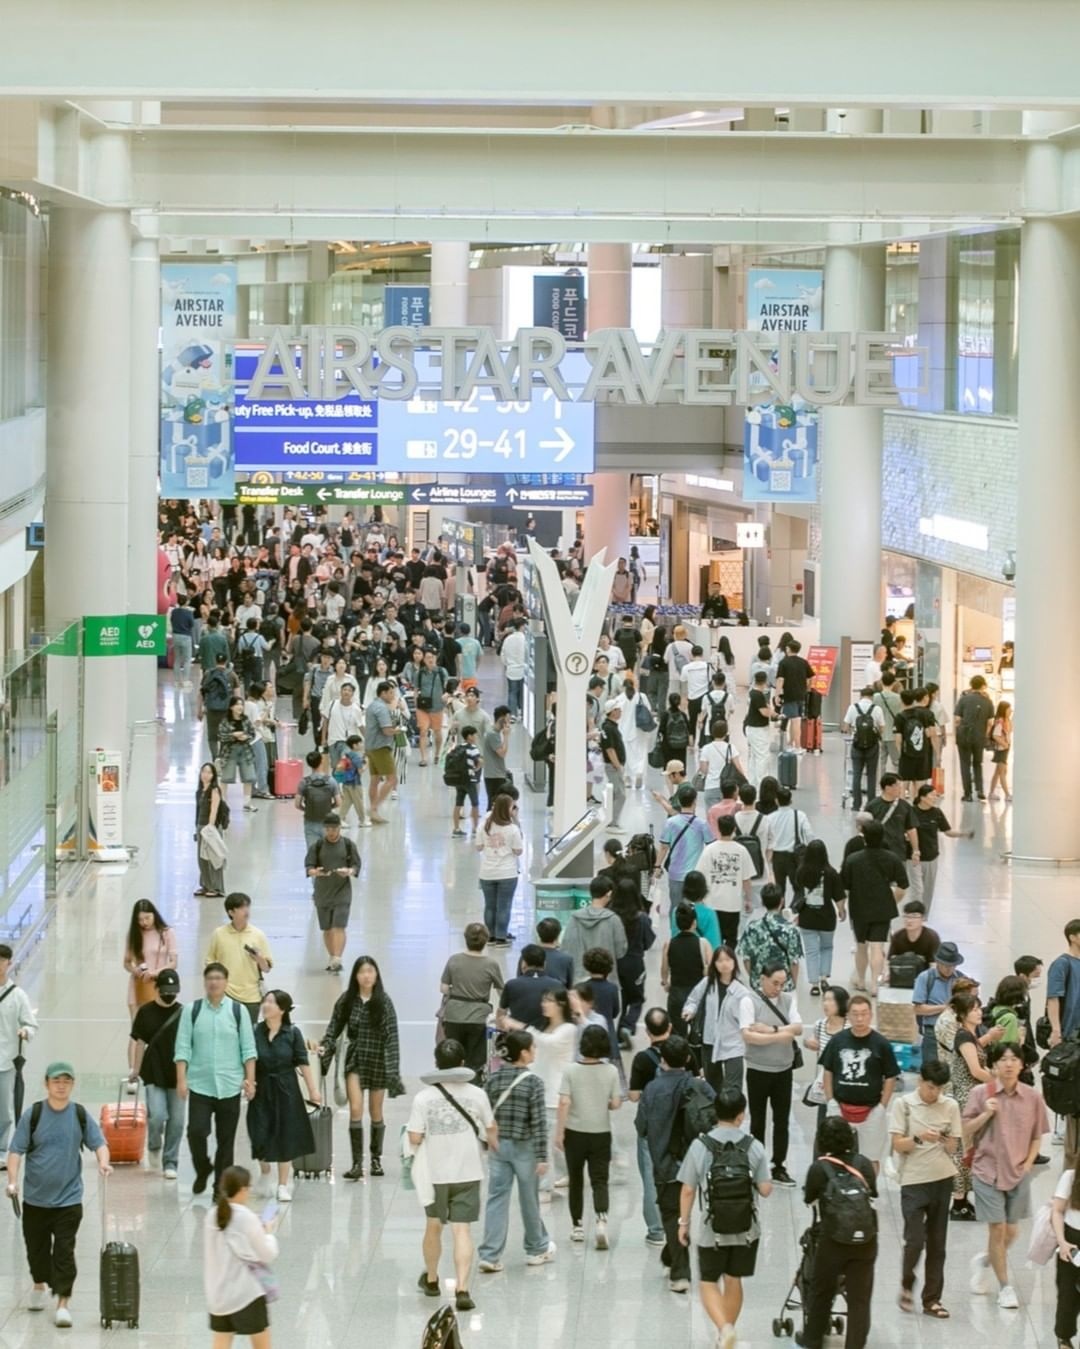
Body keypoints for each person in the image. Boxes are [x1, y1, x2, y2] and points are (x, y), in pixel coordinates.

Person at [5, 1062, 111, 1328]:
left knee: (64, 1251)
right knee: (37, 1250)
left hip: (69, 1199)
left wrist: (103, 1162)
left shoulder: (79, 1114)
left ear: (72, 1084)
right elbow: (16, 1151)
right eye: (56, 1081)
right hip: (36, 1200)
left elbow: (99, 1143)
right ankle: (39, 1284)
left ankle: (63, 1302)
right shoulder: (34, 1114)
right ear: (46, 1083)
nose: (61, 1085)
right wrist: (12, 1181)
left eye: (66, 1081)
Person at [677, 1086, 772, 1348]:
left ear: (715, 1112)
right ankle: (725, 1333)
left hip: (711, 1228)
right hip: (746, 1229)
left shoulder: (700, 1145)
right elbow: (765, 1190)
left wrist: (683, 1223)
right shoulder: (753, 1146)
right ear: (741, 1115)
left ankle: (724, 1328)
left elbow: (687, 1189)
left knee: (708, 1281)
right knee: (734, 1279)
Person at [408, 1038, 498, 1313]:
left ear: (436, 1063)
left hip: (435, 1173)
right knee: (462, 1230)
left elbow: (414, 1136)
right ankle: (462, 1289)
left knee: (434, 1225)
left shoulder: (423, 1097)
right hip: (468, 1170)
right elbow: (491, 1127)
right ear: (462, 1062)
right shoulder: (477, 1094)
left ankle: (432, 1280)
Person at [964, 1041, 1050, 1310]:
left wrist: (1028, 1163)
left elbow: (1037, 1136)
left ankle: (986, 1261)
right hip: (986, 1171)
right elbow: (966, 1128)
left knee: (1012, 1232)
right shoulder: (980, 1093)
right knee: (997, 1229)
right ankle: (1005, 1287)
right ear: (994, 1065)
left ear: (1022, 1064)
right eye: (1003, 1059)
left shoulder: (1032, 1097)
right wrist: (987, 1113)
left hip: (1017, 1172)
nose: (1009, 1064)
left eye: (1014, 1059)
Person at [636, 1034, 716, 1293]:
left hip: (664, 1162)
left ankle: (680, 1272)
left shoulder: (651, 1089)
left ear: (662, 1061)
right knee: (679, 1214)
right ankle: (671, 1256)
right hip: (695, 1160)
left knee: (673, 1214)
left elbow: (642, 1127)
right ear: (687, 1059)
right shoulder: (699, 1087)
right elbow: (716, 1114)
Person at [174, 962, 258, 1196]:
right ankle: (203, 1168)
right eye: (210, 977)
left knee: (226, 1140)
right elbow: (182, 1048)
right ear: (205, 982)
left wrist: (250, 1080)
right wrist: (182, 1079)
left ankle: (220, 1187)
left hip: (230, 1085)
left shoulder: (237, 1011)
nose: (214, 982)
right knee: (196, 1132)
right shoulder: (192, 1010)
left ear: (226, 982)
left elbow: (248, 1049)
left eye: (219, 978)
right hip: (200, 1084)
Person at [796, 1116, 879, 1349]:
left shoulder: (819, 1167)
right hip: (866, 1240)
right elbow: (872, 1193)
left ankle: (812, 1339)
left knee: (821, 1291)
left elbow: (809, 1198)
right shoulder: (862, 1164)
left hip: (832, 1240)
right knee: (859, 1299)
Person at [889, 1058, 962, 1318]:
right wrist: (920, 1138)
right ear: (920, 1081)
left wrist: (943, 1138)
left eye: (939, 1089)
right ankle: (906, 1283)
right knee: (915, 1240)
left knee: (937, 1243)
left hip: (942, 1179)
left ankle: (932, 1299)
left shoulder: (950, 1105)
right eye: (930, 1087)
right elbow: (898, 1144)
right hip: (913, 1180)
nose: (934, 1093)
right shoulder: (904, 1105)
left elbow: (954, 1147)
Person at [477, 1029, 555, 1272]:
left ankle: (490, 1255)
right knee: (529, 1199)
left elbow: (484, 1116)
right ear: (523, 1053)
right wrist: (542, 1156)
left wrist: (485, 1143)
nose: (535, 1052)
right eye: (533, 1048)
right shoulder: (533, 1083)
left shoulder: (493, 1079)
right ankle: (536, 1248)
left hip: (498, 1146)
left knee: (496, 1198)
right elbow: (539, 1123)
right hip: (525, 1147)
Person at [320, 955, 403, 1182]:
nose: (366, 975)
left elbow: (392, 1037)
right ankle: (357, 1163)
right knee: (356, 1109)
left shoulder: (384, 1002)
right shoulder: (346, 1001)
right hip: (354, 1060)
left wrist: (393, 1070)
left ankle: (376, 1158)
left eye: (370, 971)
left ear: (376, 975)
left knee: (376, 1111)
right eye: (362, 971)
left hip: (377, 1061)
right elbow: (333, 1030)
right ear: (355, 976)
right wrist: (324, 1050)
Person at [247, 990, 320, 1202]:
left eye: (271, 1002)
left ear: (282, 1009)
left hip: (286, 1089)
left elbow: (302, 1062)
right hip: (261, 1089)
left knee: (285, 1136)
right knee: (258, 1132)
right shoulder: (255, 1031)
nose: (266, 1005)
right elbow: (249, 1058)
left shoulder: (292, 1033)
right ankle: (265, 1171)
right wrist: (249, 1082)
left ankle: (282, 1184)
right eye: (265, 1001)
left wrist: (313, 1089)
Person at [556, 1023, 622, 1249]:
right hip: (601, 1132)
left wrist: (559, 1132)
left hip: (574, 1132)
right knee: (600, 1179)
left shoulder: (570, 1071)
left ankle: (577, 1226)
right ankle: (601, 1219)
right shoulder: (611, 1071)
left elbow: (564, 1102)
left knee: (575, 1179)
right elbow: (615, 1104)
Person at [820, 993, 900, 1174]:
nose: (860, 1018)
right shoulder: (838, 1040)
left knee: (871, 1157)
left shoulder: (881, 1044)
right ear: (848, 1015)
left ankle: (869, 1194)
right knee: (835, 1154)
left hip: (871, 1110)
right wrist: (830, 1100)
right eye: (855, 1013)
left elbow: (890, 1076)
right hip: (840, 1108)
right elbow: (828, 1070)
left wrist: (882, 1106)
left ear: (871, 1015)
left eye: (864, 1013)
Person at [740, 960, 803, 1186]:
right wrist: (781, 1037)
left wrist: (770, 1030)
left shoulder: (787, 1000)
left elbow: (798, 1027)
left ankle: (779, 1165)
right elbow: (748, 1036)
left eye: (783, 983)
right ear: (762, 979)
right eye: (775, 983)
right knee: (758, 1120)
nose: (779, 988)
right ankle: (757, 1165)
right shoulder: (749, 1001)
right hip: (758, 1070)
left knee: (781, 1120)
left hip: (783, 1070)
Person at [204, 1165, 280, 1348]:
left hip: (217, 1295)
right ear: (243, 1189)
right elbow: (267, 1254)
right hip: (246, 1294)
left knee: (221, 1340)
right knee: (261, 1342)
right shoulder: (246, 1217)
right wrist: (268, 1233)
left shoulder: (212, 1215)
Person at [129, 968, 186, 1179]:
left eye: (174, 990)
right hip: (153, 1072)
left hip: (178, 1073)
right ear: (157, 989)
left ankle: (170, 1162)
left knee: (178, 1121)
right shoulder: (145, 1012)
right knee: (158, 1116)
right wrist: (135, 1070)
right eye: (166, 990)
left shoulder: (184, 1013)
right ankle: (154, 1144)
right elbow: (139, 1042)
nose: (170, 994)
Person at [840, 820, 909, 995]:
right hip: (882, 909)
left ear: (864, 838)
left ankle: (861, 980)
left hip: (859, 907)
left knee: (861, 945)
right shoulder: (892, 858)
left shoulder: (853, 859)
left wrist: (842, 907)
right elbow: (903, 886)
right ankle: (874, 984)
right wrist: (892, 900)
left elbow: (845, 886)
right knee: (877, 947)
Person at [682, 945, 754, 1093]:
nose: (724, 963)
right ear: (714, 963)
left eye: (728, 959)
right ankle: (716, 1113)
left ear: (734, 962)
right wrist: (689, 1011)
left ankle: (732, 1114)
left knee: (734, 1086)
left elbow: (748, 1018)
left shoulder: (742, 992)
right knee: (712, 1084)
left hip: (733, 1043)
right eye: (720, 960)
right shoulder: (707, 983)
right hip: (710, 1040)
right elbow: (693, 1000)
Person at [440, 924, 505, 1081]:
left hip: (454, 1016)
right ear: (485, 940)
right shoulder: (491, 964)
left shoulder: (454, 960)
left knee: (453, 1057)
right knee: (475, 1061)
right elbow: (502, 991)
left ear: (466, 939)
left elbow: (443, 988)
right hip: (478, 1017)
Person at [304, 812, 361, 973]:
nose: (331, 832)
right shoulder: (318, 846)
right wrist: (315, 872)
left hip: (342, 891)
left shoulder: (348, 845)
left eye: (334, 828)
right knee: (327, 928)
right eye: (328, 828)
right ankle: (332, 958)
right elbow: (309, 865)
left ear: (339, 828)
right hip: (322, 892)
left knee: (339, 925)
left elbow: (356, 865)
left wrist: (349, 871)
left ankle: (338, 957)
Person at [204, 892, 274, 1022]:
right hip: (226, 993)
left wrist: (259, 958)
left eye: (247, 906)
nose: (246, 911)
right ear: (231, 912)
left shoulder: (258, 935)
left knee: (248, 1033)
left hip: (252, 995)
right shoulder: (219, 934)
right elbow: (210, 962)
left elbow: (267, 968)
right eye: (241, 908)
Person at [794, 839, 846, 997]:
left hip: (807, 917)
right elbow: (839, 895)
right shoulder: (831, 873)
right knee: (826, 948)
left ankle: (814, 984)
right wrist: (841, 910)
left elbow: (799, 891)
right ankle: (824, 977)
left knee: (811, 951)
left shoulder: (801, 871)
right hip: (826, 918)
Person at [0, 942, 37, 1158]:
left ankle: (2, 1150)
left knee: (4, 1110)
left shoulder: (17, 995)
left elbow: (31, 1024)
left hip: (6, 1059)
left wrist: (25, 1031)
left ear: (9, 963)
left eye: (2, 961)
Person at [910, 784, 971, 911]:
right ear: (922, 797)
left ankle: (923, 917)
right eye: (932, 795)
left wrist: (963, 834)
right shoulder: (911, 812)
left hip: (931, 856)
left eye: (936, 795)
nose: (935, 798)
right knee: (917, 889)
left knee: (928, 889)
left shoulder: (936, 813)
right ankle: (914, 914)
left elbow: (947, 831)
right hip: (913, 857)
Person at [698, 816, 754, 950]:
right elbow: (746, 879)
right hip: (732, 904)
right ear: (734, 829)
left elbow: (700, 876)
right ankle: (728, 963)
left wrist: (699, 900)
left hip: (712, 903)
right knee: (731, 939)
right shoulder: (741, 850)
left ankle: (715, 964)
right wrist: (748, 900)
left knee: (713, 938)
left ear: (718, 829)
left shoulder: (709, 850)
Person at [475, 794, 524, 947]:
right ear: (507, 810)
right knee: (504, 905)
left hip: (487, 872)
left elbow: (478, 847)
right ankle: (501, 937)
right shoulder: (513, 829)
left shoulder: (484, 826)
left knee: (490, 905)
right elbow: (518, 851)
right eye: (512, 807)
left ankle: (490, 936)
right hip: (507, 873)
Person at [654, 785, 713, 908]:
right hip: (694, 875)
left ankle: (675, 927)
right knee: (695, 908)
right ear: (695, 802)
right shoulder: (702, 825)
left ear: (679, 801)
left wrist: (657, 866)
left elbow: (664, 847)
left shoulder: (671, 823)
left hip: (675, 873)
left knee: (675, 907)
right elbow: (710, 846)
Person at [736, 882, 802, 991]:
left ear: (762, 902)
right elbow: (794, 962)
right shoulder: (791, 929)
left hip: (760, 985)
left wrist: (755, 979)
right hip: (783, 985)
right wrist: (793, 984)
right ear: (782, 901)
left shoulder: (752, 928)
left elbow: (746, 959)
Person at [560, 875, 628, 979]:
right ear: (609, 893)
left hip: (579, 980)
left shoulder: (575, 918)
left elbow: (565, 948)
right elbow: (621, 951)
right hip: (606, 979)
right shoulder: (613, 920)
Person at [913, 941, 964, 1062]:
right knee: (932, 1073)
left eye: (952, 965)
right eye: (946, 965)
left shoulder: (961, 979)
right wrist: (944, 1008)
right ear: (938, 962)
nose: (949, 969)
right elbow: (918, 1009)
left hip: (956, 1031)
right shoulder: (925, 978)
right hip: (933, 1032)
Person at [662, 902, 712, 1025]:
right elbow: (711, 970)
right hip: (697, 995)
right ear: (694, 923)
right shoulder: (703, 943)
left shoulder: (669, 944)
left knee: (678, 1035)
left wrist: (666, 983)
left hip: (676, 994)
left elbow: (664, 970)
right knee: (697, 1035)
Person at [764, 786, 814, 908]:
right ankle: (794, 910)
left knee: (780, 889)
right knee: (798, 888)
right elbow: (809, 834)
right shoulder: (800, 815)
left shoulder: (769, 818)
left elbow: (766, 839)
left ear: (776, 800)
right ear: (791, 801)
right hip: (794, 857)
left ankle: (780, 913)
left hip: (777, 858)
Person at [1050, 1164, 1080, 1349]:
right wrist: (1062, 1242)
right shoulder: (1071, 1176)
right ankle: (1064, 1339)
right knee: (1068, 1294)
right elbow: (1057, 1210)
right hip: (1072, 1241)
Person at [843, 685, 885, 811]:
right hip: (872, 746)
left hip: (856, 745)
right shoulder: (877, 709)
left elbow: (845, 727)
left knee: (857, 774)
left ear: (860, 695)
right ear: (872, 697)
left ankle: (856, 804)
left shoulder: (852, 707)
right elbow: (882, 728)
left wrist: (854, 730)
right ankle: (871, 804)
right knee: (871, 775)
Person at [954, 674, 994, 802]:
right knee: (978, 763)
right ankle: (980, 790)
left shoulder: (964, 699)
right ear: (983, 685)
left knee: (965, 764)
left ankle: (967, 794)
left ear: (971, 685)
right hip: (979, 736)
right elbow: (990, 723)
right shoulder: (987, 701)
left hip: (964, 736)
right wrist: (985, 734)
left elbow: (957, 719)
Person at [364, 680, 400, 823]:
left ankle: (374, 813)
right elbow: (386, 730)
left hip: (370, 746)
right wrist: (397, 731)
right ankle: (373, 808)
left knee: (375, 779)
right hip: (381, 747)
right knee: (392, 779)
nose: (393, 695)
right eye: (391, 692)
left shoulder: (372, 706)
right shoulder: (382, 708)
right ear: (383, 693)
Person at [217, 696, 259, 813]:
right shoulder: (225, 721)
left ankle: (247, 803)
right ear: (231, 707)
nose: (240, 707)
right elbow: (221, 736)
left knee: (249, 777)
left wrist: (246, 737)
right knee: (226, 777)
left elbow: (252, 733)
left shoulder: (246, 720)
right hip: (229, 752)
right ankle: (223, 802)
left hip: (245, 750)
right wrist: (233, 735)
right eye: (237, 704)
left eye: (241, 704)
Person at [295, 748, 341, 852]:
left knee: (312, 852)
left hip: (310, 821)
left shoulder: (304, 782)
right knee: (328, 852)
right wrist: (330, 807)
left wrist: (306, 809)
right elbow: (339, 802)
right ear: (321, 761)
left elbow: (297, 804)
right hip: (327, 822)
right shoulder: (331, 781)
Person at [697, 717, 745, 814]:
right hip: (728, 788)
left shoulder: (706, 748)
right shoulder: (731, 748)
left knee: (712, 818)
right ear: (726, 733)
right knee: (727, 818)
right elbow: (738, 768)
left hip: (710, 786)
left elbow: (703, 770)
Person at [195, 761, 227, 898]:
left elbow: (214, 810)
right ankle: (206, 885)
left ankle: (216, 887)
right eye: (203, 771)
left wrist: (210, 827)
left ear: (213, 775)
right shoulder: (200, 791)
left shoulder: (214, 790)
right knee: (202, 858)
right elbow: (198, 810)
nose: (205, 775)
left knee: (213, 857)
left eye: (209, 772)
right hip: (201, 827)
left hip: (210, 828)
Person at [775, 637, 813, 753]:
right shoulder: (804, 662)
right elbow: (810, 678)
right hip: (801, 695)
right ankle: (791, 743)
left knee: (795, 720)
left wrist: (777, 695)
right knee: (794, 719)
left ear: (788, 649)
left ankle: (798, 746)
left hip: (789, 695)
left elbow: (780, 680)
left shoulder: (784, 663)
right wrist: (807, 689)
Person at [1047, 918, 1080, 1047]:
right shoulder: (1062, 963)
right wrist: (1056, 1030)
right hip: (1070, 1030)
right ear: (1072, 937)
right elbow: (1053, 998)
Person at [743, 669, 776, 786]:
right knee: (762, 756)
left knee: (754, 757)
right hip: (758, 730)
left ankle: (753, 784)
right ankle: (762, 784)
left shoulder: (752, 693)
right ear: (765, 681)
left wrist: (771, 711)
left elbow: (765, 707)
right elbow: (764, 712)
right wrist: (775, 715)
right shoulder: (758, 695)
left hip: (751, 728)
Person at [887, 900, 940, 970]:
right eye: (906, 916)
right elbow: (890, 960)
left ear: (923, 918)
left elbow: (934, 965)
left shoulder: (932, 937)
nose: (909, 920)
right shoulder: (897, 936)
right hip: (902, 974)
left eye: (914, 917)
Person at [480, 704, 512, 807]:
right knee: (494, 805)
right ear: (502, 719)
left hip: (495, 773)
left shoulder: (494, 732)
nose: (509, 722)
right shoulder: (493, 734)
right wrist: (506, 736)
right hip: (494, 776)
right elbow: (502, 753)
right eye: (508, 719)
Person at [657, 691, 692, 772]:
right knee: (681, 765)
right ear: (679, 702)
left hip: (668, 744)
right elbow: (689, 729)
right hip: (681, 745)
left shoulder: (665, 715)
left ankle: (669, 783)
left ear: (669, 702)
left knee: (668, 766)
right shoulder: (683, 715)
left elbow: (661, 730)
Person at [536, 917, 574, 988]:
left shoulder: (527, 956)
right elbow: (569, 986)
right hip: (557, 996)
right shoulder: (567, 959)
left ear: (539, 933)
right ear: (558, 935)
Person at [987, 700, 1013, 802]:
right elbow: (995, 735)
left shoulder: (1007, 720)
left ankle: (991, 793)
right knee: (1002, 772)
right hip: (1001, 749)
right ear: (1004, 710)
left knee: (998, 772)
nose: (1011, 710)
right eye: (1009, 708)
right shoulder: (1000, 721)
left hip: (1005, 748)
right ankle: (1007, 794)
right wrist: (1004, 744)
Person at [501, 619, 527, 720]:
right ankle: (523, 712)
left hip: (511, 669)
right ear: (521, 626)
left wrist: (507, 664)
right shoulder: (525, 639)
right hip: (523, 669)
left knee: (512, 692)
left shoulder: (508, 639)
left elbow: (503, 654)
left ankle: (512, 714)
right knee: (522, 692)